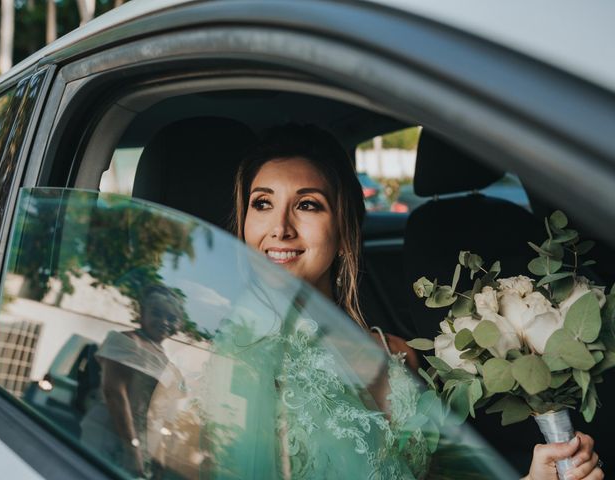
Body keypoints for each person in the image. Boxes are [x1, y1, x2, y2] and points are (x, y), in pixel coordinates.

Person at [219, 123, 603, 479]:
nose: (280, 228)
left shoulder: (399, 356)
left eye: (307, 204)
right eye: (262, 203)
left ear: (344, 224)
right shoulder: (225, 363)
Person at [80, 284, 186, 478]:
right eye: (157, 313)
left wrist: (158, 454)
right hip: (111, 436)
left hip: (144, 445)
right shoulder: (127, 341)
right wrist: (131, 447)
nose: (164, 321)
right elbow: (114, 393)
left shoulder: (166, 360)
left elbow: (158, 414)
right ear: (142, 313)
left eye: (172, 318)